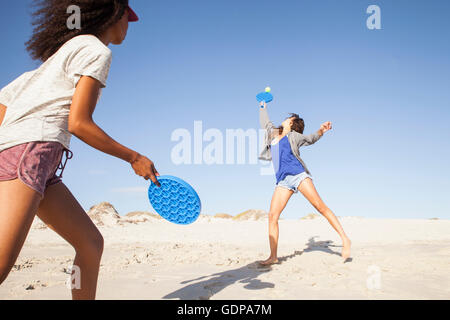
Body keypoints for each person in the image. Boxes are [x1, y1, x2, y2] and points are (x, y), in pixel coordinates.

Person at [0, 0, 160, 300]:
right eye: (128, 16)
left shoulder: (54, 62)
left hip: (35, 159)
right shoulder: (97, 51)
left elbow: (3, 105)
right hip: (30, 153)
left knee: (89, 243)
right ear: (114, 13)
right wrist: (134, 158)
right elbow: (79, 123)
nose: (130, 24)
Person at [258, 101, 351, 265]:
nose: (286, 119)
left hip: (298, 175)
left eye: (289, 119)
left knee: (320, 206)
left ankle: (345, 239)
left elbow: (311, 138)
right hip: (282, 181)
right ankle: (273, 256)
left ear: (292, 123)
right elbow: (266, 123)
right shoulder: (274, 134)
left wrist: (322, 130)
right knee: (272, 216)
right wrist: (262, 106)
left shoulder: (294, 136)